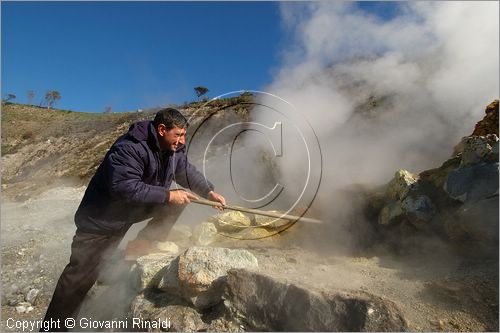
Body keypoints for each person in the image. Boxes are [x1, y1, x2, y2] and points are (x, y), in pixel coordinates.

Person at [41, 108, 225, 331]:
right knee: (79, 279)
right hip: (101, 221)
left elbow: (185, 171)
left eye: (184, 134)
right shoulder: (130, 148)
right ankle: (53, 328)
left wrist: (208, 192)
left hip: (128, 212)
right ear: (161, 130)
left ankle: (140, 246)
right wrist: (168, 194)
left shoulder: (172, 150)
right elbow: (123, 188)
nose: (182, 140)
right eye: (178, 134)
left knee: (179, 201)